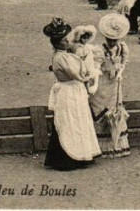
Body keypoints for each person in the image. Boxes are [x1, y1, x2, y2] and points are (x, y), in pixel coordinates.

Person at [43, 18, 101, 171]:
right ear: (57, 43)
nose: (68, 40)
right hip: (69, 91)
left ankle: (82, 154)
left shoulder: (65, 55)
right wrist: (90, 72)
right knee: (70, 122)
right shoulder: (61, 58)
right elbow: (79, 74)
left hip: (75, 90)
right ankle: (67, 158)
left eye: (67, 38)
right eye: (64, 39)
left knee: (79, 120)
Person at [89, 14, 131, 158]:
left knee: (115, 111)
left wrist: (120, 72)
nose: (112, 43)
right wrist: (96, 77)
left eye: (114, 40)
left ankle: (116, 144)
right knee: (100, 110)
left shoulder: (122, 48)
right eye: (109, 40)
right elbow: (95, 67)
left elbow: (124, 63)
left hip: (115, 84)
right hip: (102, 84)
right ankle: (100, 146)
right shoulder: (99, 50)